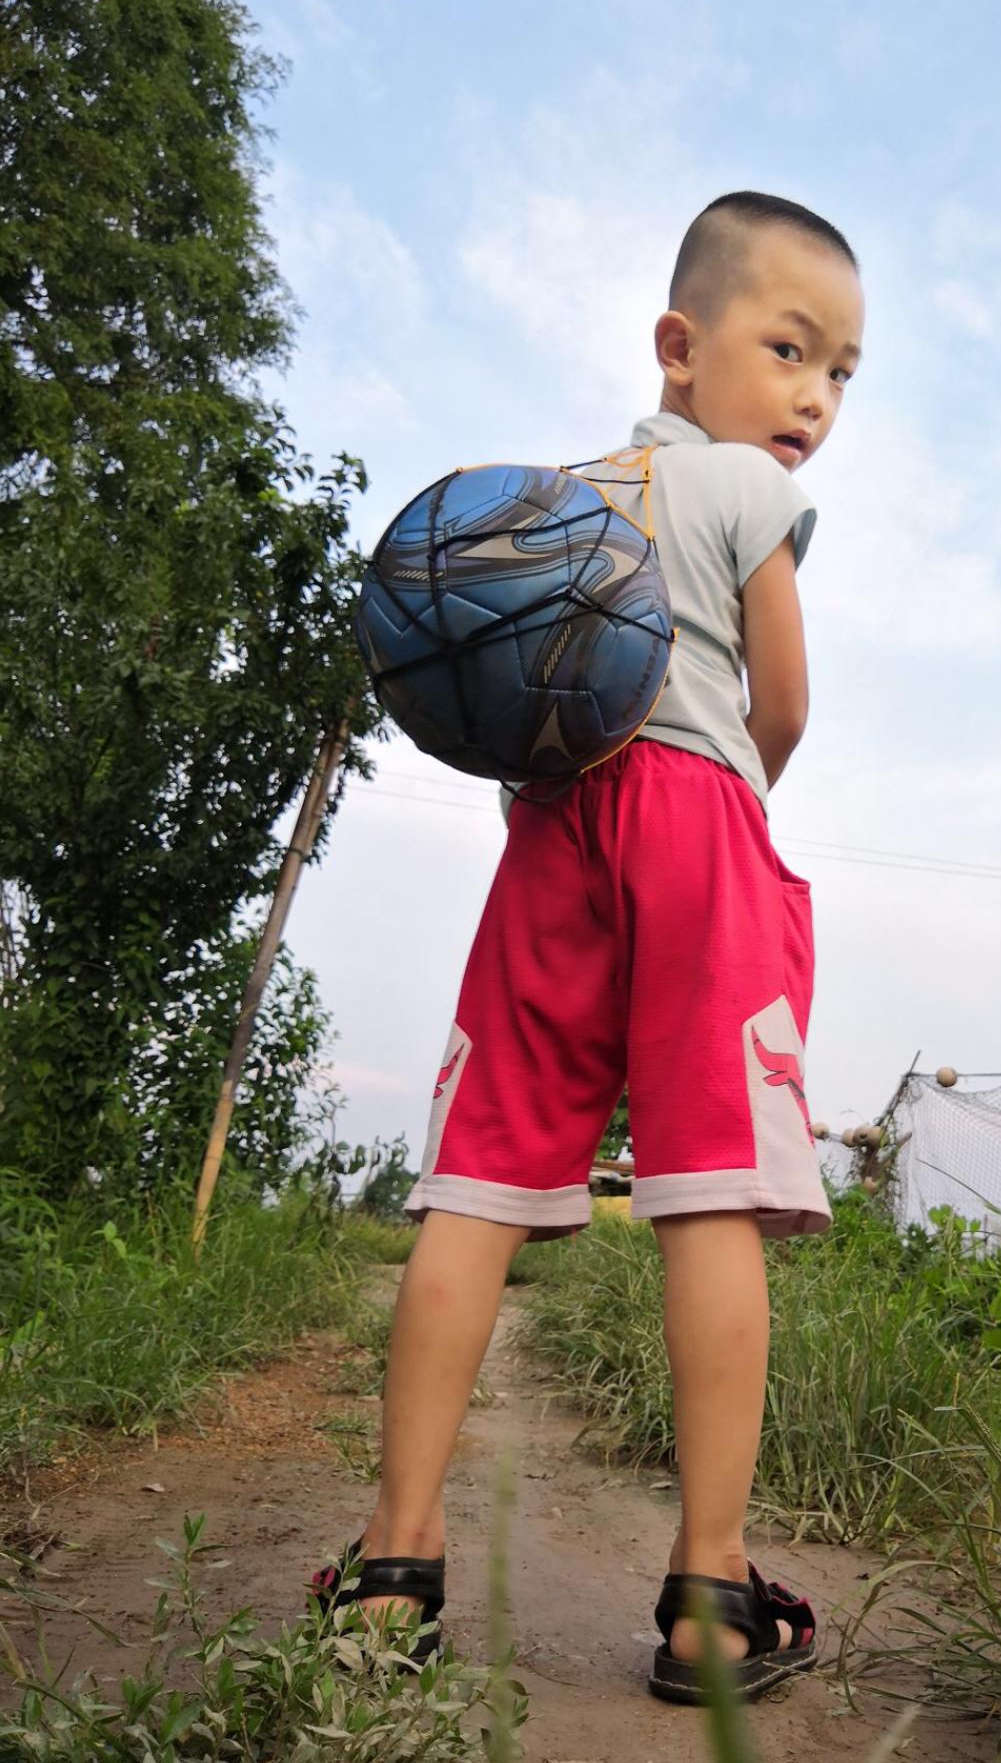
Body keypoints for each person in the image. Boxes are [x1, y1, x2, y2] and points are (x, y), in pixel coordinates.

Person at [315, 192, 865, 1704]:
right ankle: (709, 1596)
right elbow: (786, 708)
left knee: (480, 1178)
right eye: (790, 350)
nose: (814, 397)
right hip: (697, 820)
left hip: (552, 829)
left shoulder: (551, 496)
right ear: (681, 350)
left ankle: (392, 1571)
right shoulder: (750, 494)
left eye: (842, 374)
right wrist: (724, 798)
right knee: (711, 1199)